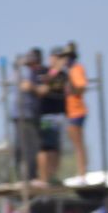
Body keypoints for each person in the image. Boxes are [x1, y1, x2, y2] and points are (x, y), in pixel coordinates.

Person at [35, 47, 70, 186]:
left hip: (60, 116)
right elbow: (42, 88)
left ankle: (52, 176)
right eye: (58, 57)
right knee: (45, 147)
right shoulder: (43, 71)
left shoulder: (64, 75)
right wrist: (54, 71)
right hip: (46, 116)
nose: (61, 61)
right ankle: (43, 178)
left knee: (56, 149)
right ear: (51, 58)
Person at [12, 48, 45, 180]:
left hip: (29, 115)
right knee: (22, 149)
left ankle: (30, 176)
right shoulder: (24, 72)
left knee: (30, 148)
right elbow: (24, 86)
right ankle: (24, 177)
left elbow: (38, 89)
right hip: (21, 115)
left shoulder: (38, 73)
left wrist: (33, 87)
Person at [61, 42, 89, 180]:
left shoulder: (76, 69)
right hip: (72, 111)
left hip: (77, 111)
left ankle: (82, 173)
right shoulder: (70, 70)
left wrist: (70, 85)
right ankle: (81, 172)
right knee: (76, 143)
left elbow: (81, 87)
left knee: (78, 143)